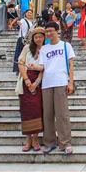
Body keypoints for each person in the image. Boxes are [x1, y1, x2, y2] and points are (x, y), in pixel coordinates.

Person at [32, 21, 75, 155]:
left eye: (51, 31)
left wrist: (71, 82)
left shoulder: (65, 45)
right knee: (48, 114)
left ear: (57, 31)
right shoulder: (44, 49)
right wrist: (31, 66)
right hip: (46, 83)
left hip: (61, 81)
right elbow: (42, 66)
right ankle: (49, 142)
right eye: (47, 31)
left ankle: (65, 142)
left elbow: (71, 65)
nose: (49, 33)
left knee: (62, 114)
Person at [16, 27, 46, 152]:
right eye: (36, 37)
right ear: (33, 39)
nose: (38, 39)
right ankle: (28, 139)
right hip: (26, 81)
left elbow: (45, 68)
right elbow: (20, 63)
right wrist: (27, 80)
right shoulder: (27, 48)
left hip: (39, 83)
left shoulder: (45, 50)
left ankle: (35, 139)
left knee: (37, 110)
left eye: (40, 37)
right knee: (27, 111)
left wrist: (37, 81)